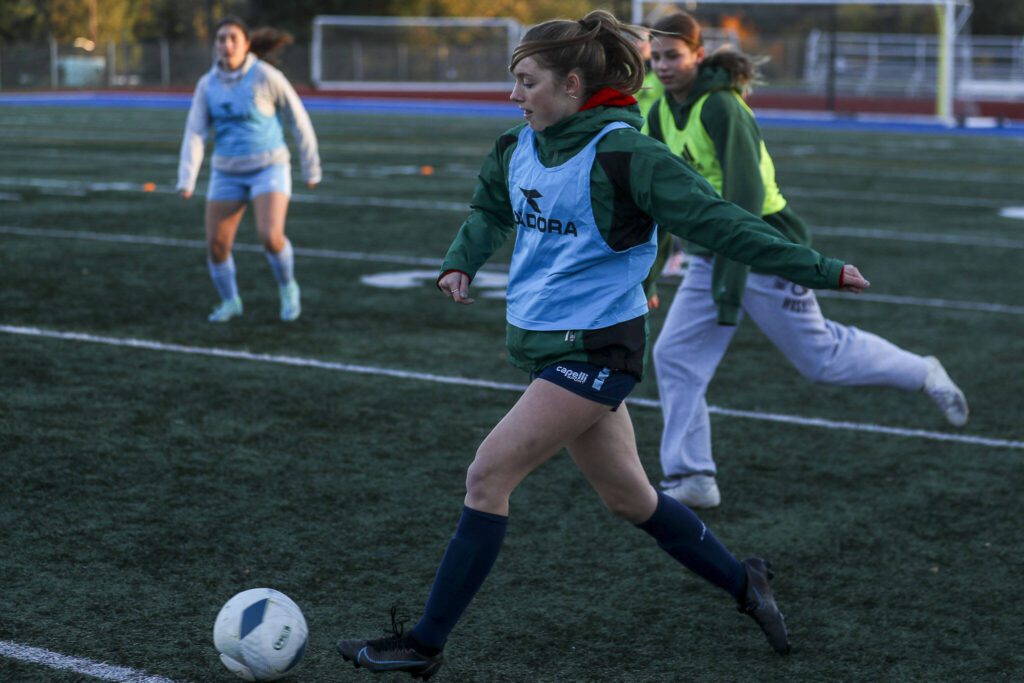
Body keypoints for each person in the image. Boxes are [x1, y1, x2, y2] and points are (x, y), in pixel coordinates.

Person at [335, 10, 872, 679]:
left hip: (597, 351)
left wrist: (818, 267)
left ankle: (423, 644)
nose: (514, 95)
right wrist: (460, 260)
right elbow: (490, 208)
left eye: (527, 81)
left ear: (571, 84)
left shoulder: (627, 154)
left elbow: (721, 221)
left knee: (487, 474)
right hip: (548, 343)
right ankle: (745, 580)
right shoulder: (516, 144)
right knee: (632, 499)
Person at [643, 11, 969, 509]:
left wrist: (728, 288)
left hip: (766, 248)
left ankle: (923, 372)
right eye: (657, 56)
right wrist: (650, 274)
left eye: (674, 55)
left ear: (698, 54)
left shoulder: (722, 108)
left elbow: (745, 200)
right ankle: (694, 476)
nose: (663, 66)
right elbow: (660, 199)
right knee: (674, 358)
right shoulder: (660, 112)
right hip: (715, 254)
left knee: (821, 360)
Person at [176, 16, 321, 323]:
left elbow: (298, 119)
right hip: (226, 172)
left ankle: (287, 288)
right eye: (220, 39)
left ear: (246, 44)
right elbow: (195, 133)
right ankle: (230, 302)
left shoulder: (266, 76)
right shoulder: (207, 84)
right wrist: (186, 178)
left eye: (233, 38)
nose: (226, 45)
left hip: (269, 167)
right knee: (216, 246)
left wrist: (311, 167)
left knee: (270, 235)